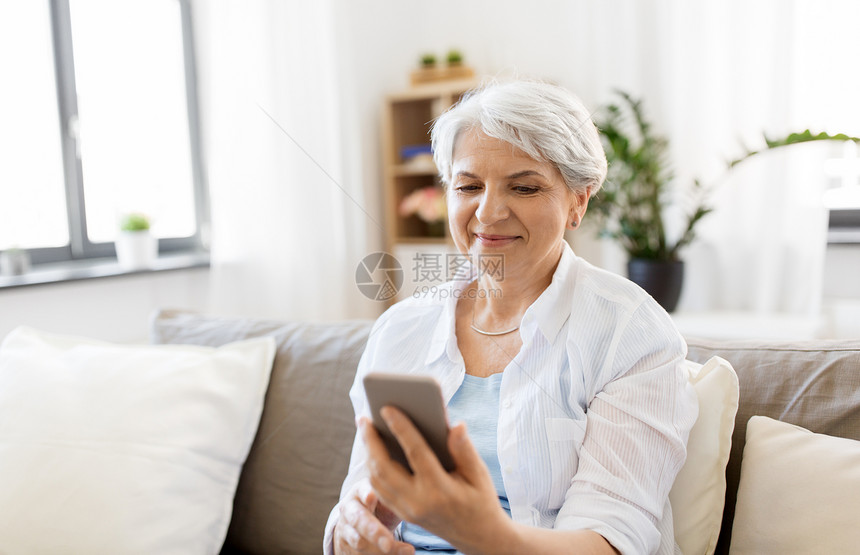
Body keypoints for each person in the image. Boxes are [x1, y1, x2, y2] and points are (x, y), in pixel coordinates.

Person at [324, 80, 698, 555]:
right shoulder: (402, 329)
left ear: (578, 201)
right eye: (468, 186)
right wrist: (352, 530)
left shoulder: (630, 333)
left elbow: (611, 540)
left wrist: (481, 533)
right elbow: (360, 489)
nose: (489, 211)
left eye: (523, 187)